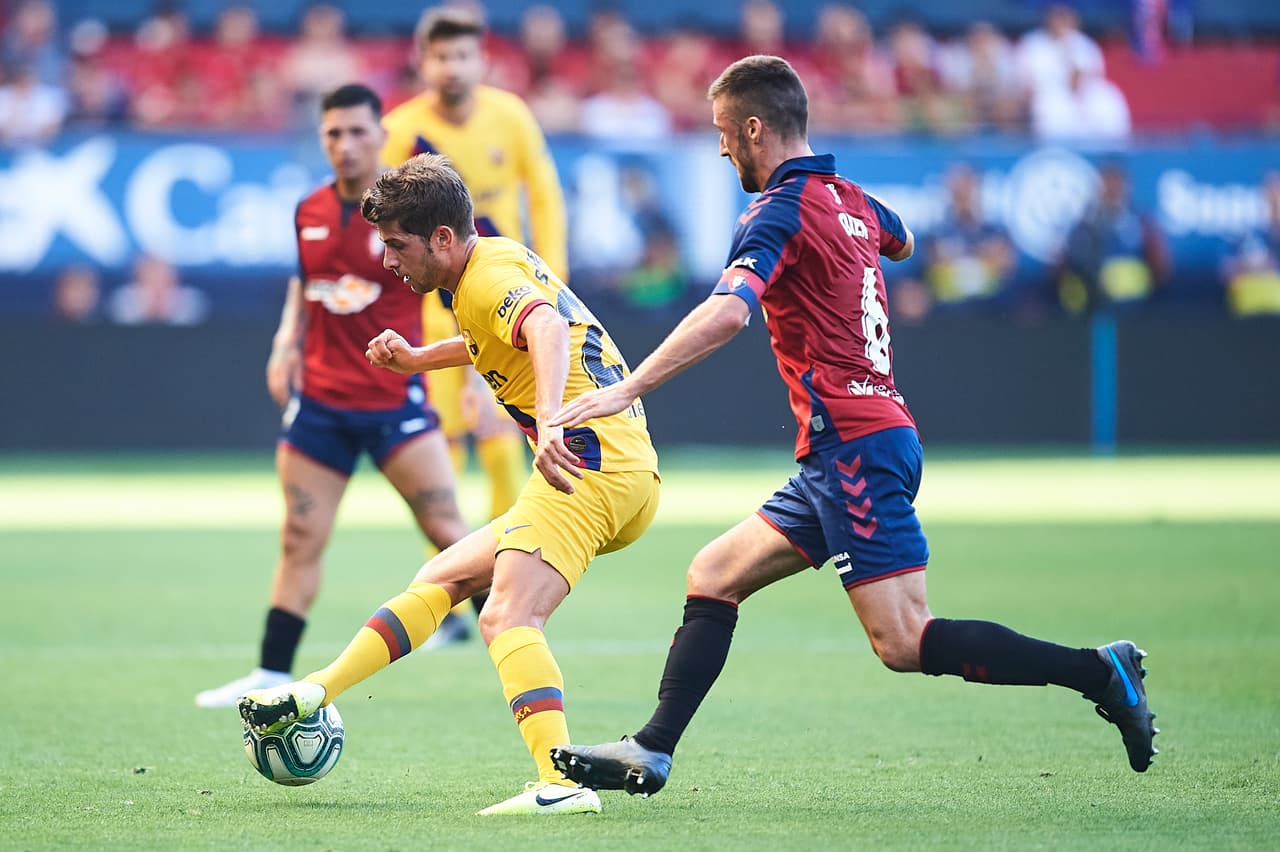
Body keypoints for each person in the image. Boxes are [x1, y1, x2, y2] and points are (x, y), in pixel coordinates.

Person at [548, 55, 1158, 798]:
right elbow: (898, 240)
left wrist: (632, 386)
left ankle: (1099, 670)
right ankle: (653, 749)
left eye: (722, 135)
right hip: (853, 445)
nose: (719, 151)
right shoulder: (853, 200)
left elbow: (731, 310)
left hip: (856, 448)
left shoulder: (776, 210)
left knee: (904, 640)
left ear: (754, 130)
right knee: (714, 575)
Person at [239, 153, 661, 816]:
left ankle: (560, 784)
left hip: (588, 466)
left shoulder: (487, 276)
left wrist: (549, 423)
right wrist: (417, 357)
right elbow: (496, 336)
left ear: (441, 238)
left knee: (506, 615)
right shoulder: (486, 263)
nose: (386, 259)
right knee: (443, 576)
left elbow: (545, 328)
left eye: (396, 244)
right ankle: (315, 691)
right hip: (617, 469)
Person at [194, 85, 470, 708]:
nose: (345, 146)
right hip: (320, 401)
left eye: (357, 132)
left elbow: (459, 285)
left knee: (448, 528)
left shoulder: (411, 216)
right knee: (299, 537)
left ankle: (510, 628)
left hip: (395, 399)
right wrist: (284, 340)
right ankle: (269, 675)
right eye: (333, 135)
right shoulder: (309, 209)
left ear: (381, 134)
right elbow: (307, 280)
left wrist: (475, 377)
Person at [380, 6, 570, 644]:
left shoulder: (510, 115)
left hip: (505, 296)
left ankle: (493, 591)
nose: (452, 67)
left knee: (496, 441)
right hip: (440, 305)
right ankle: (467, 597)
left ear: (481, 60)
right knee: (439, 453)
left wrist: (554, 279)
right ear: (422, 61)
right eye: (440, 56)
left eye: (463, 56)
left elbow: (544, 195)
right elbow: (387, 228)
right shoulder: (401, 130)